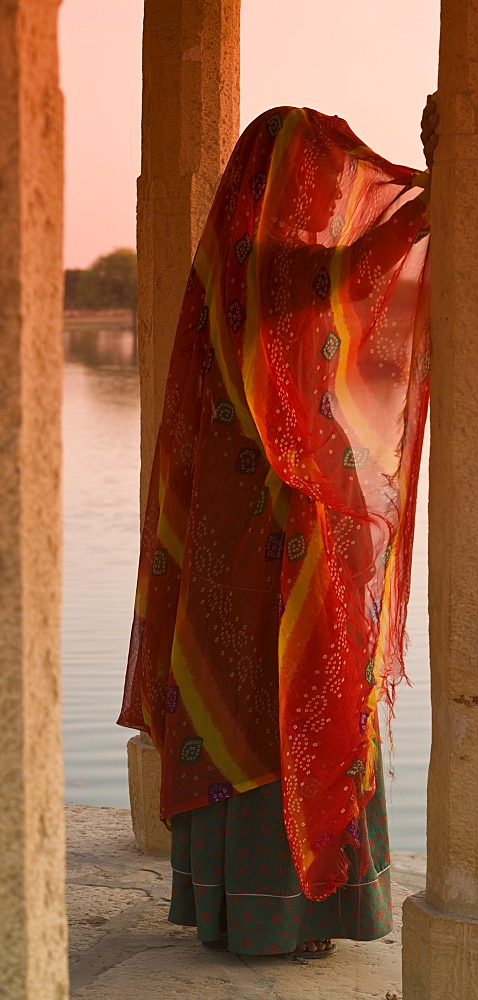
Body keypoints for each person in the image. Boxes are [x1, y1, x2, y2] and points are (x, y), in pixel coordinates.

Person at [118, 96, 439, 958]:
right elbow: (360, 273)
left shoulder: (232, 266)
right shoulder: (271, 267)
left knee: (257, 701)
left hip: (234, 537)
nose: (330, 192)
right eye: (323, 177)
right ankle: (295, 915)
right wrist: (432, 187)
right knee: (297, 698)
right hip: (286, 530)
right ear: (288, 184)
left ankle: (237, 910)